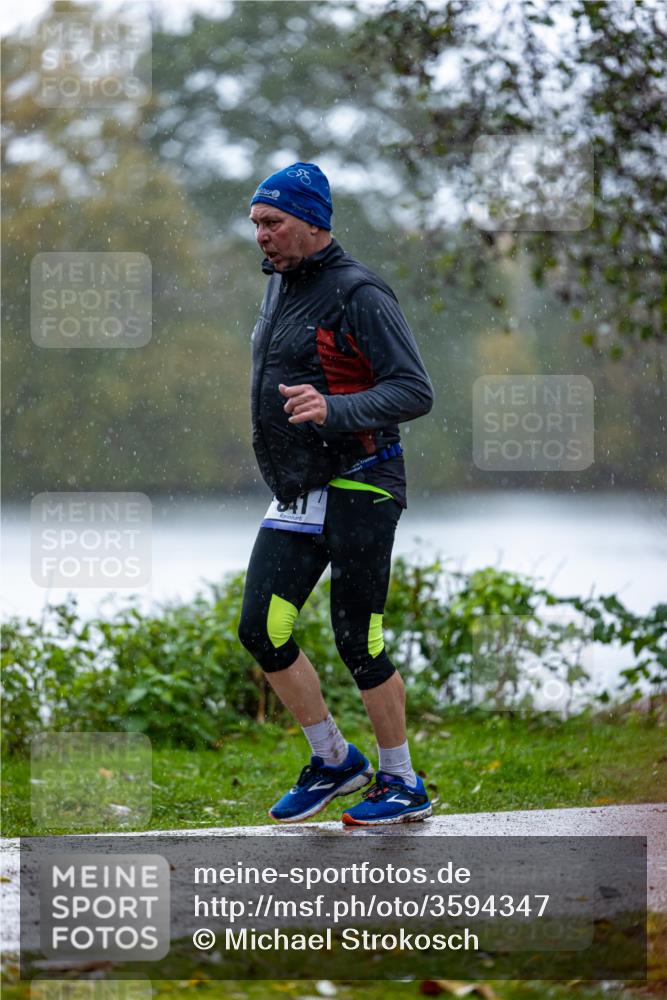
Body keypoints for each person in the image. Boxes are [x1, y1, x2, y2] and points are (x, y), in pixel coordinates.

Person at [238, 161, 434, 826]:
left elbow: (412, 390)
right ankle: (333, 760)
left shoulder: (360, 292)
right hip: (299, 486)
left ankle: (402, 781)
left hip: (362, 481)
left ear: (313, 223)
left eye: (273, 222)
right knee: (261, 628)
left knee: (358, 638)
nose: (261, 235)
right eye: (256, 223)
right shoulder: (280, 288)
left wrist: (333, 407)